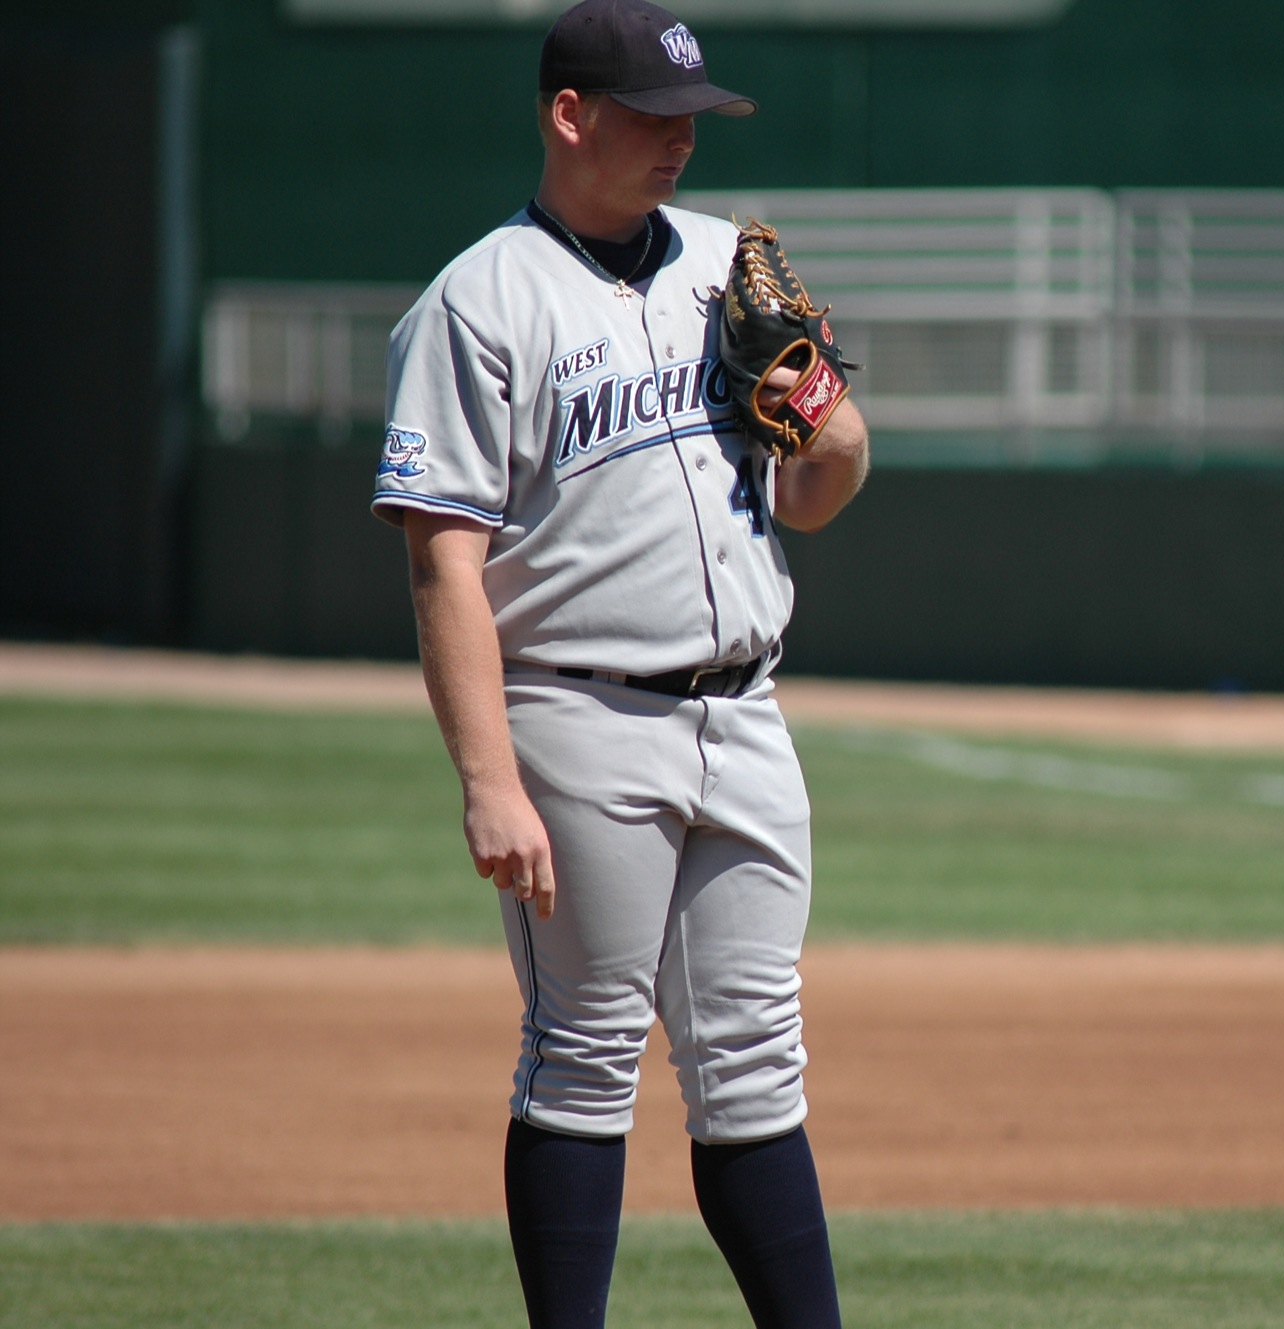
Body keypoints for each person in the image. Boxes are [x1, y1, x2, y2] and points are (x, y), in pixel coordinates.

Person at [370, 3, 868, 1326]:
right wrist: (491, 781)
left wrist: (834, 429)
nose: (679, 144)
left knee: (756, 1069)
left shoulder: (725, 267)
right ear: (568, 113)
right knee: (584, 1062)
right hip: (577, 718)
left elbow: (820, 488)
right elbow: (443, 564)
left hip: (745, 708)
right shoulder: (478, 304)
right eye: (653, 116)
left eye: (691, 119)